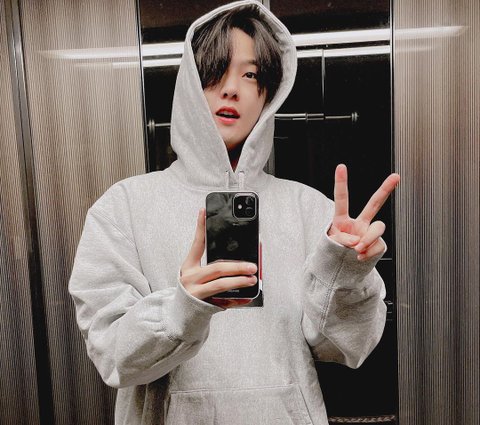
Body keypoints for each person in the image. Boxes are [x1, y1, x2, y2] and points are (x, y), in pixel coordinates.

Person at [69, 1, 400, 424]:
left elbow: (345, 349)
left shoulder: (308, 209)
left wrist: (345, 275)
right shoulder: (124, 207)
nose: (231, 89)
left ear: (269, 94)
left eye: (251, 74)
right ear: (190, 84)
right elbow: (113, 356)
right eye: (216, 70)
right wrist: (182, 309)